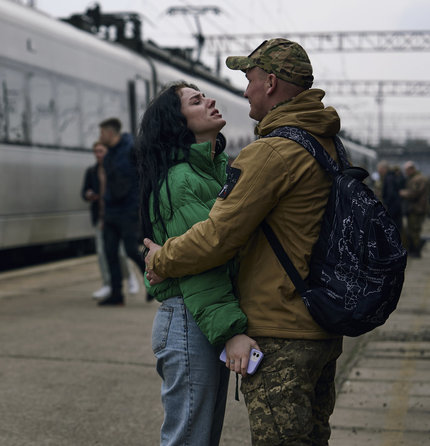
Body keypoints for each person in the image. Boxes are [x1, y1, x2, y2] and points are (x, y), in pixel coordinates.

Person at [144, 39, 344, 444]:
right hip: (207, 317)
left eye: (249, 78)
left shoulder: (267, 154)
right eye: (197, 100)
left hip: (256, 319)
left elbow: (216, 242)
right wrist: (230, 330)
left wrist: (163, 259)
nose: (241, 90)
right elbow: (210, 263)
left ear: (270, 83)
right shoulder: (324, 143)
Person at [138, 81, 256, 445]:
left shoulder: (212, 172)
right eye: (196, 100)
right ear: (178, 122)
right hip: (192, 320)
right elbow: (202, 267)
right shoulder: (181, 180)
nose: (211, 100)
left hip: (200, 320)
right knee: (189, 440)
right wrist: (230, 332)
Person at [97, 117, 147, 306]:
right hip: (111, 210)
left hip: (128, 210)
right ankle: (117, 295)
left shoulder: (132, 149)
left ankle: (151, 283)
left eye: (102, 132)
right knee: (110, 252)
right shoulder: (109, 155)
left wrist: (139, 206)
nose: (100, 136)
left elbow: (143, 176)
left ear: (110, 133)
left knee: (131, 251)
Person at [81, 141, 139, 299]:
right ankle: (108, 284)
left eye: (101, 151)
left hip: (118, 215)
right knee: (103, 252)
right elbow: (84, 191)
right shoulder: (92, 171)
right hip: (101, 217)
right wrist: (88, 194)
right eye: (95, 151)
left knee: (122, 252)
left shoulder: (116, 169)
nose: (98, 155)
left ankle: (131, 277)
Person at [399, 160, 429, 257]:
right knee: (414, 230)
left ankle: (416, 251)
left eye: (407, 170)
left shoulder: (416, 179)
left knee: (414, 231)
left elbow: (414, 193)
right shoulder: (417, 178)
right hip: (417, 208)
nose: (405, 173)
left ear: (412, 169)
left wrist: (403, 193)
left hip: (416, 209)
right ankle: (415, 250)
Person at [376, 160, 404, 231]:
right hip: (396, 207)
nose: (379, 172)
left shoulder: (389, 178)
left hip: (392, 208)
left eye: (380, 170)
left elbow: (390, 193)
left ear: (384, 169)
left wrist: (385, 203)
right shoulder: (391, 176)